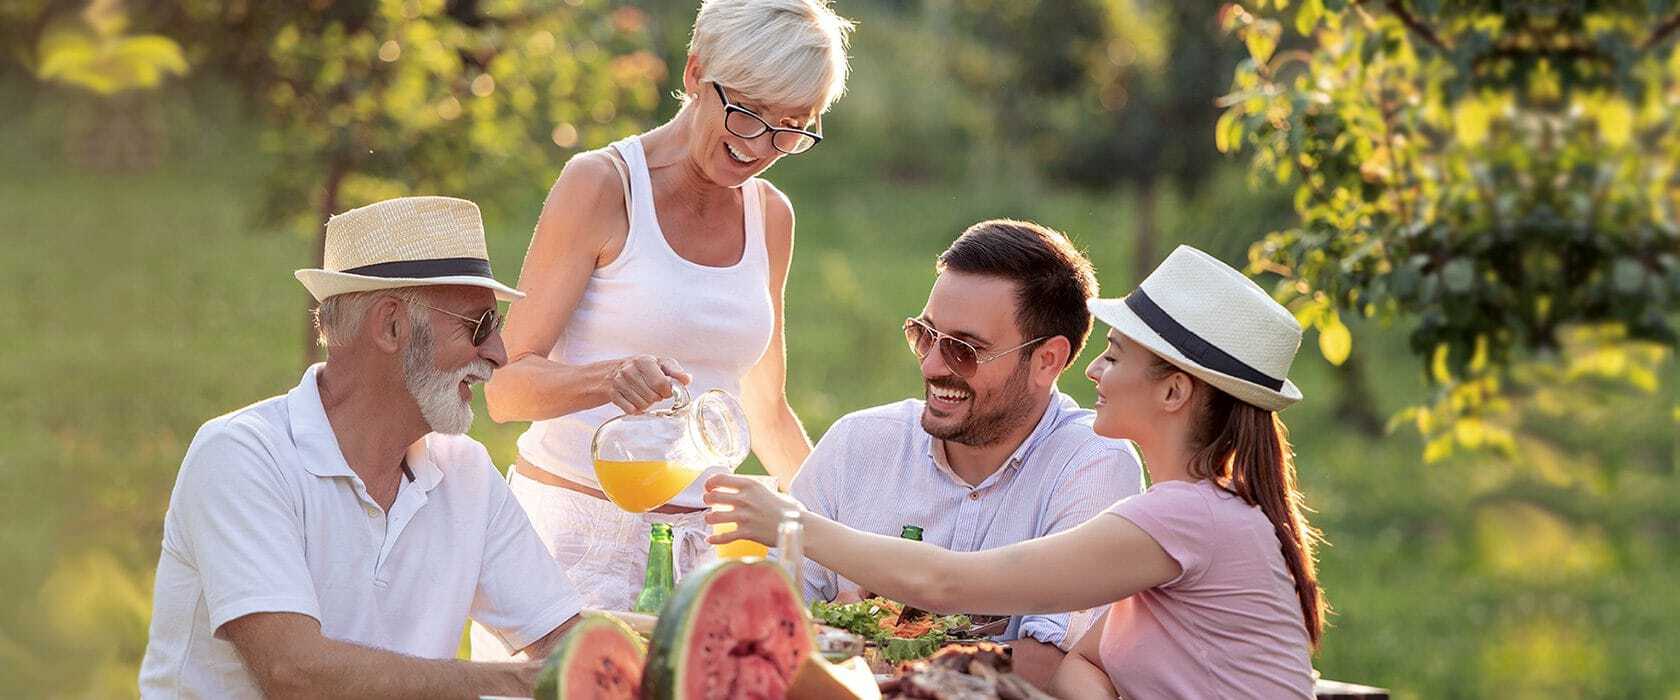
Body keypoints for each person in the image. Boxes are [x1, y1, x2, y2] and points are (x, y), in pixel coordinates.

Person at [708, 245, 1329, 699]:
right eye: (926, 336)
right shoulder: (1182, 515)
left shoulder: (1185, 517)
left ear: (1173, 394)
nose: (1092, 373)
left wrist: (794, 524)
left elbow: (951, 585)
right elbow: (1077, 667)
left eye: (1113, 358)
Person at [472, 0, 855, 647]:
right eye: (748, 112)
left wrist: (847, 543)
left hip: (710, 561)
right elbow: (504, 389)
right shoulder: (603, 185)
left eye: (791, 127)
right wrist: (606, 379)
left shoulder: (772, 217)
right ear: (695, 69)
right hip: (574, 546)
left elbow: (765, 412)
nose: (761, 146)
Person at [138, 197, 585, 698]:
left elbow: (565, 641)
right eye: (479, 326)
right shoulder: (239, 456)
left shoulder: (467, 472)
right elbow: (294, 674)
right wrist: (516, 681)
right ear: (391, 325)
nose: (499, 355)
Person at [788, 219, 1143, 687]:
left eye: (964, 350)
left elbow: (1050, 665)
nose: (934, 365)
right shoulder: (857, 444)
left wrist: (873, 640)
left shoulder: (1093, 464)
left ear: (1047, 361)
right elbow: (766, 618)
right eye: (925, 334)